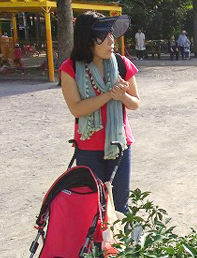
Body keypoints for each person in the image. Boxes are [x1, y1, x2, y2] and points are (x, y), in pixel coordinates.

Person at [59, 11, 140, 213]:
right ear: (87, 40)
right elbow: (76, 108)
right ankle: (96, 246)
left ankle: (119, 245)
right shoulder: (70, 68)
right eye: (103, 37)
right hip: (88, 147)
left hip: (119, 145)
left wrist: (122, 96)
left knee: (120, 206)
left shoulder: (122, 64)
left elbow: (135, 103)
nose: (111, 41)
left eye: (111, 34)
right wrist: (109, 95)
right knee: (93, 207)